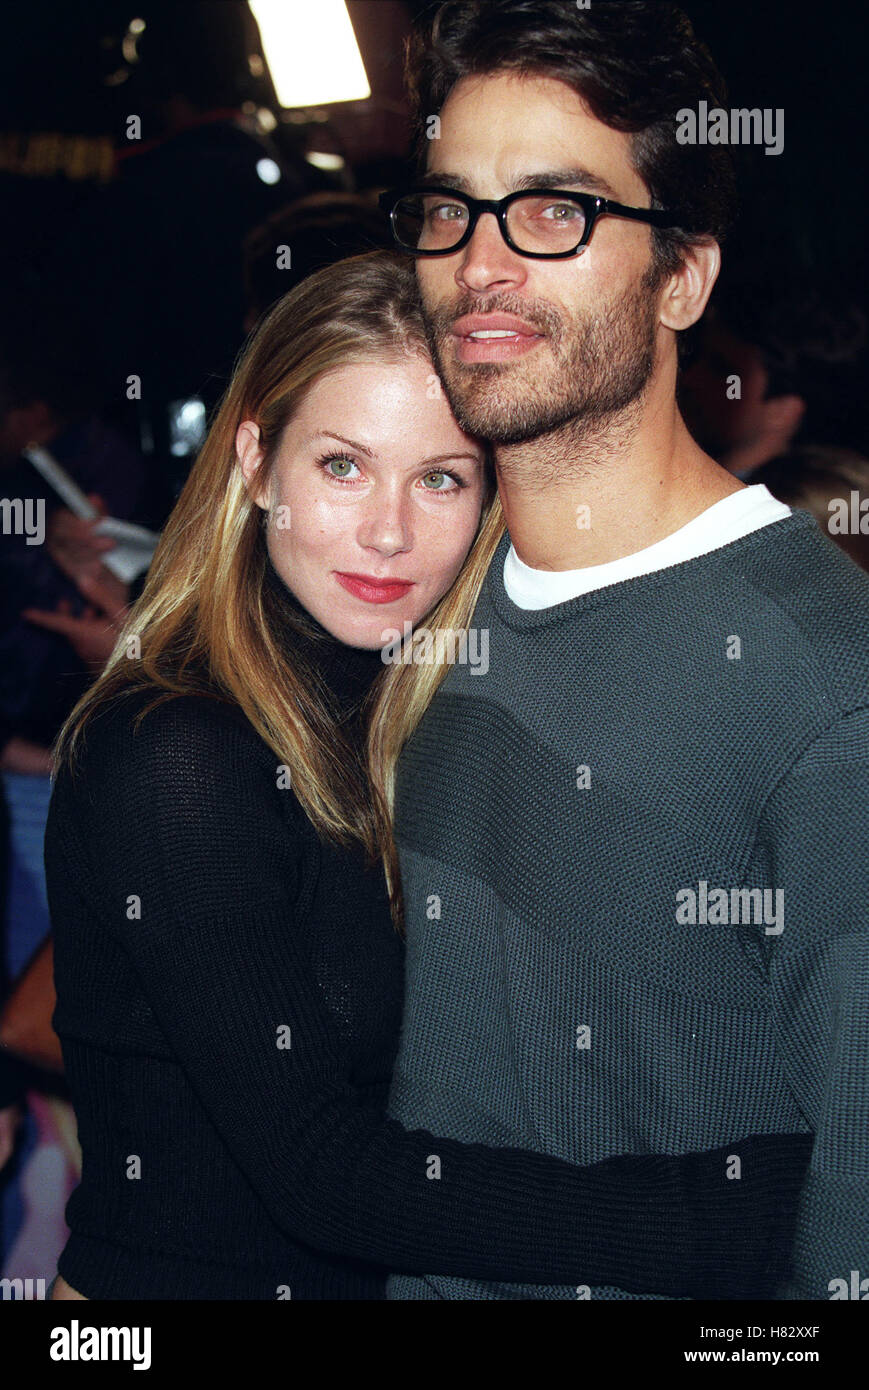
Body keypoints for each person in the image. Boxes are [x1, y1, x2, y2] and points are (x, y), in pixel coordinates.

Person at [44, 252, 809, 1301]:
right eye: (342, 466)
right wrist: (738, 1215)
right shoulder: (176, 749)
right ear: (255, 460)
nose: (389, 531)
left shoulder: (410, 710)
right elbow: (320, 1173)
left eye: (439, 477)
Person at [372, 0, 869, 1300]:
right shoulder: (414, 598)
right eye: (449, 210)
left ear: (684, 278)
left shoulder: (821, 682)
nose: (479, 263)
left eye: (552, 212)